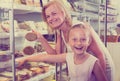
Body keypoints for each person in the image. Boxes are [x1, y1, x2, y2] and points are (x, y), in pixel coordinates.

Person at [32, 0, 114, 81]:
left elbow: (100, 55)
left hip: (102, 67)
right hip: (87, 69)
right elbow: (55, 55)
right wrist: (41, 38)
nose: (51, 18)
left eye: (54, 14)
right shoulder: (59, 31)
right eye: (48, 16)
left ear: (63, 12)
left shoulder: (79, 27)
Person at [16, 23, 108, 81]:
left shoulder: (93, 62)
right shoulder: (68, 56)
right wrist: (26, 58)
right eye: (74, 39)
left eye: (83, 39)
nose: (79, 43)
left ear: (89, 42)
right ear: (68, 41)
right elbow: (44, 57)